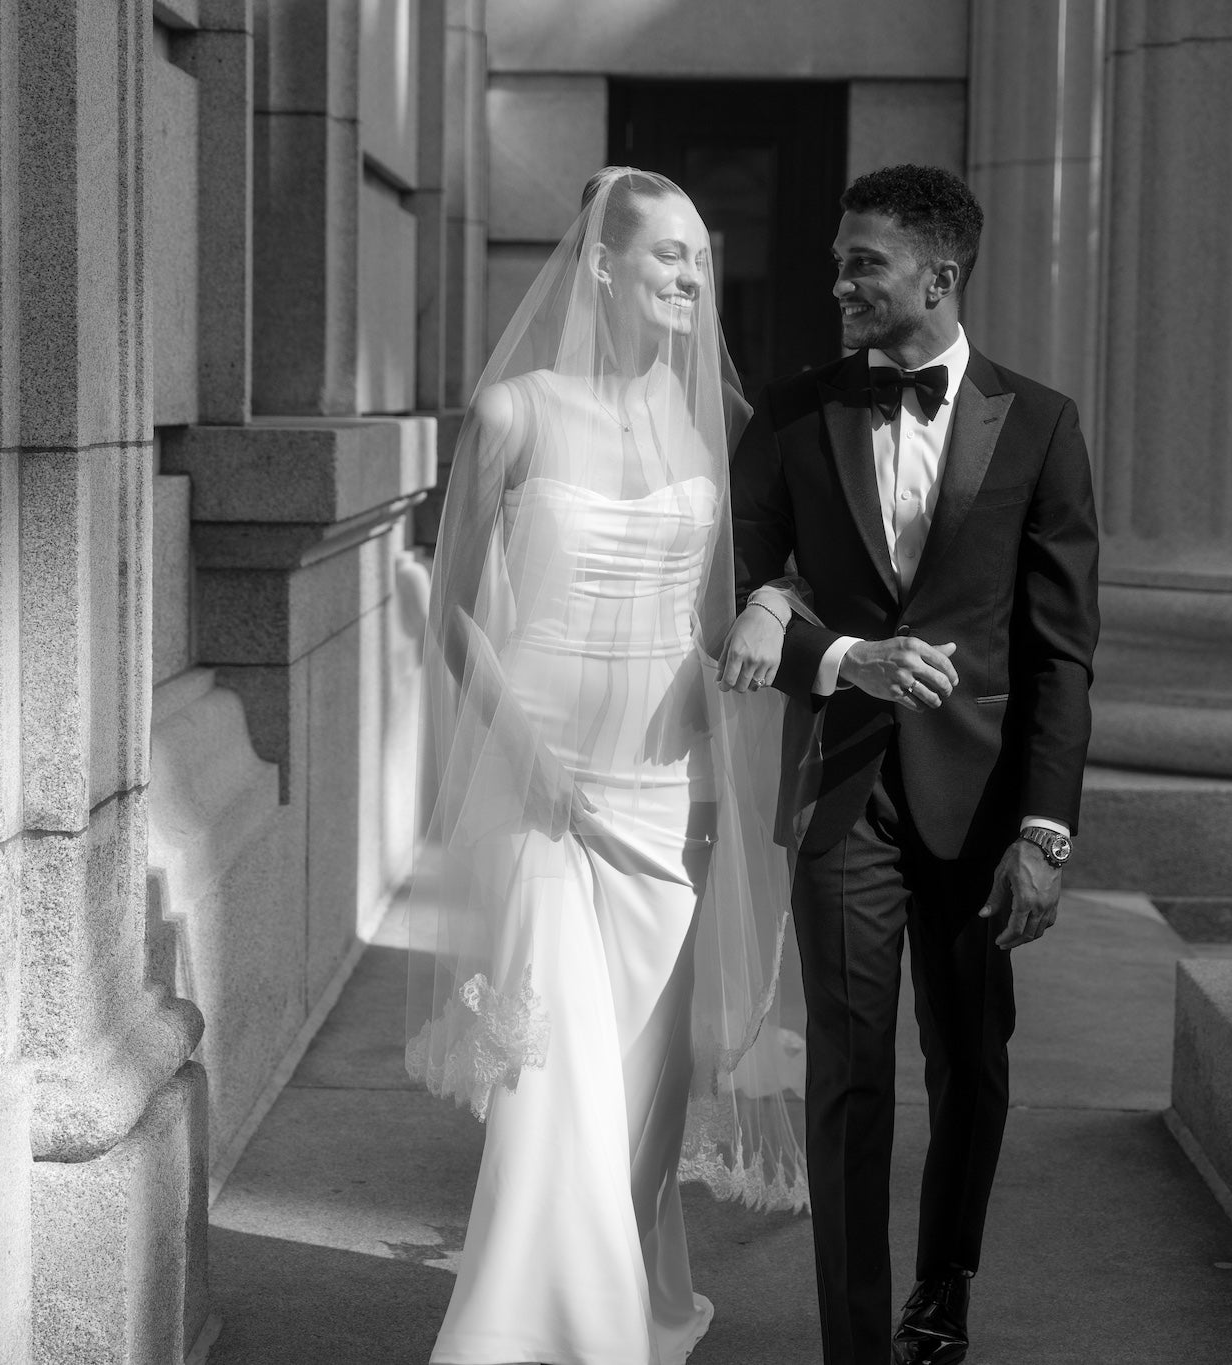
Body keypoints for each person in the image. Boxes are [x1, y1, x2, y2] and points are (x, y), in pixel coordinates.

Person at [406, 167, 809, 1365]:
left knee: (641, 1090)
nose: (693, 276)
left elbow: (775, 566)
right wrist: (529, 764)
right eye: (667, 255)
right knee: (554, 1097)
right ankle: (530, 1340)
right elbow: (451, 612)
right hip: (542, 793)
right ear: (600, 264)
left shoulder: (713, 426)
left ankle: (620, 1299)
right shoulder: (516, 413)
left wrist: (768, 613)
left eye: (698, 255)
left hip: (666, 793)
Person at [723, 164, 1102, 1365]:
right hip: (842, 795)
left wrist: (1043, 834)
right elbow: (730, 596)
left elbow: (1059, 653)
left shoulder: (1037, 423)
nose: (836, 282)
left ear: (937, 276)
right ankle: (851, 1345)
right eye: (838, 260)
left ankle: (941, 1298)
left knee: (969, 1068)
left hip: (985, 811)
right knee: (845, 1078)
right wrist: (842, 659)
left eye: (860, 263)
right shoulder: (787, 414)